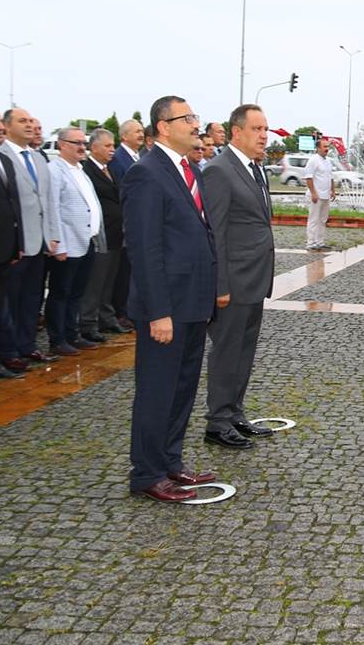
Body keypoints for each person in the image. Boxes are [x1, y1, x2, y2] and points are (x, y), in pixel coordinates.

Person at [124, 95, 219, 503]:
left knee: (182, 388)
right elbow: (145, 249)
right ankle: (146, 472)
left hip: (194, 302)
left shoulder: (189, 168)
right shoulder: (146, 173)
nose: (195, 124)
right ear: (163, 126)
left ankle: (171, 462)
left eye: (195, 116)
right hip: (166, 308)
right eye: (187, 118)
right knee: (157, 390)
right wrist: (158, 311)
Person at [201, 103, 275, 450]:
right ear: (236, 132)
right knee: (227, 351)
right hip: (233, 282)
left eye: (265, 129)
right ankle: (217, 421)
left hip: (254, 280)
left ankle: (234, 412)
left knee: (244, 351)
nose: (264, 136)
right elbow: (215, 231)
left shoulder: (254, 169)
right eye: (257, 129)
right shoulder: (220, 170)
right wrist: (220, 286)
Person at [0, 108, 60, 373]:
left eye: (31, 121)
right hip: (16, 243)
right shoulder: (1, 157)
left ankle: (27, 345)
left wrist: (53, 234)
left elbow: (48, 200)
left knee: (32, 298)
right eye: (22, 121)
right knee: (9, 299)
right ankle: (7, 350)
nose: (30, 126)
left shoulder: (37, 157)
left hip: (40, 241)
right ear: (8, 127)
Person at [46, 127, 103, 356]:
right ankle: (57, 338)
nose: (82, 147)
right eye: (76, 142)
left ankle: (72, 333)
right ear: (62, 144)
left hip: (86, 240)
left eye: (84, 142)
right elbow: (53, 207)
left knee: (77, 292)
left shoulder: (80, 170)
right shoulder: (55, 171)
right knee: (61, 292)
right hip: (67, 244)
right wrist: (58, 244)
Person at [79, 128, 126, 343]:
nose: (112, 150)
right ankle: (88, 322)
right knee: (95, 281)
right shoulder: (87, 170)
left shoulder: (111, 169)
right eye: (107, 146)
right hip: (100, 235)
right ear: (94, 147)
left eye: (113, 146)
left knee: (109, 280)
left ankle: (107, 317)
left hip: (116, 233)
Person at [0, 106, 24, 384]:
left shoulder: (3, 160)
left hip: (3, 251)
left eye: (0, 121)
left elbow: (14, 207)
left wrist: (17, 243)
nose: (0, 126)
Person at [109, 117, 145, 332]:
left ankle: (127, 310)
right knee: (122, 274)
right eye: (136, 132)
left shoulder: (136, 156)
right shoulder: (119, 159)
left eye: (142, 131)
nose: (141, 134)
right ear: (124, 136)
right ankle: (120, 311)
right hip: (124, 226)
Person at [303, 138, 333, 251]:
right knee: (314, 219)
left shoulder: (328, 161)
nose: (327, 149)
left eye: (328, 147)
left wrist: (332, 190)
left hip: (326, 195)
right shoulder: (313, 160)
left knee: (323, 219)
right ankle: (311, 242)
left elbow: (330, 177)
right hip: (316, 195)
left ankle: (320, 242)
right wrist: (313, 193)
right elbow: (308, 177)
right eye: (324, 147)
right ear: (318, 148)